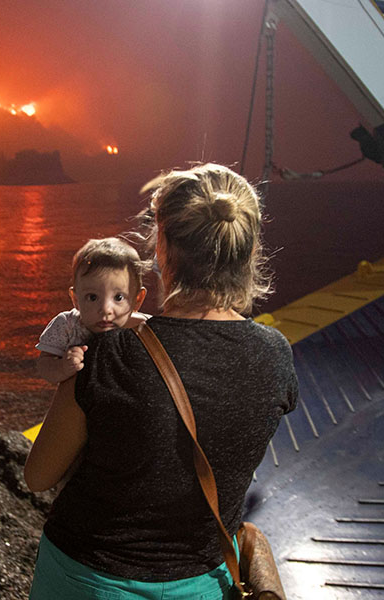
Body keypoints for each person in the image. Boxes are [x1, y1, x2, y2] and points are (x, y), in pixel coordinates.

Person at [25, 163, 299, 599]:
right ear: (246, 252)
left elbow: (39, 476)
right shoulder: (275, 355)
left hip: (90, 581)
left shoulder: (110, 354)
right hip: (204, 582)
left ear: (164, 250)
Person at [35, 237, 148, 383]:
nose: (105, 309)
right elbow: (44, 365)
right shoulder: (68, 326)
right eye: (93, 297)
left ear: (137, 300)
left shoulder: (144, 328)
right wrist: (63, 367)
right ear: (76, 299)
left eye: (118, 297)